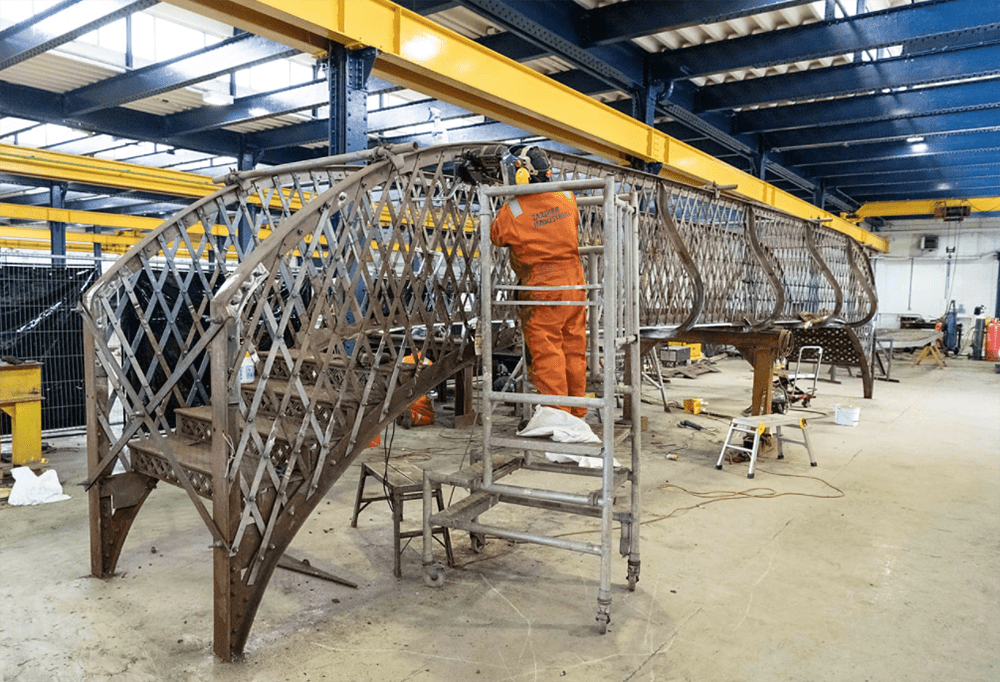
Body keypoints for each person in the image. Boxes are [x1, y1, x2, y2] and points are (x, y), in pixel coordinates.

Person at [490, 145, 587, 418]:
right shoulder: (567, 197)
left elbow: (496, 236)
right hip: (574, 281)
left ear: (523, 175)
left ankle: (557, 416)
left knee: (547, 352)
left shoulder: (514, 211)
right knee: (574, 348)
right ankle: (578, 411)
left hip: (540, 285)